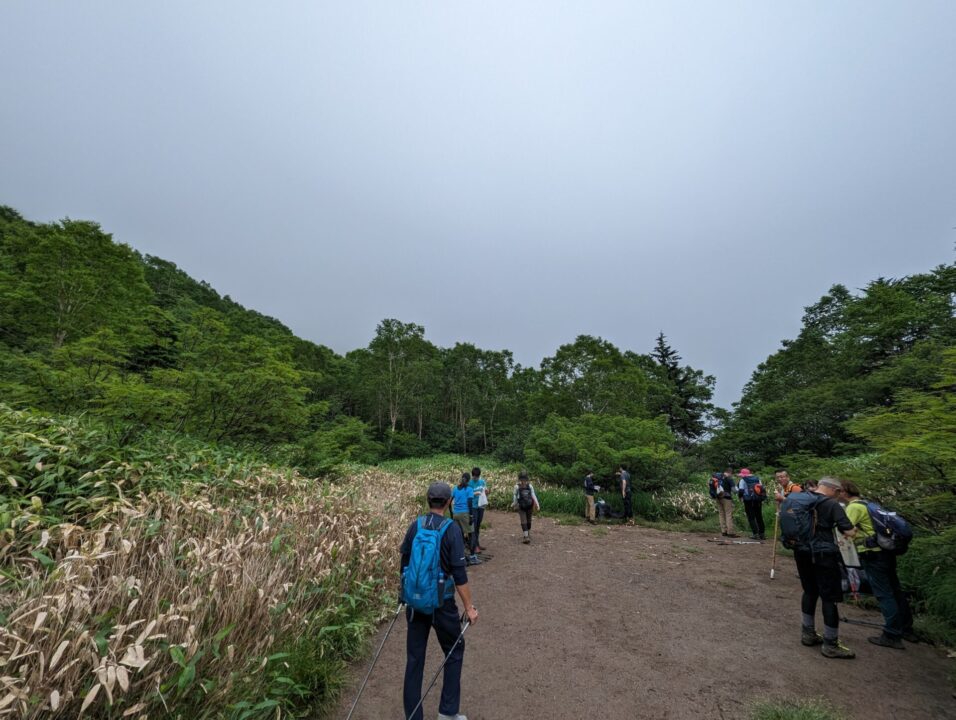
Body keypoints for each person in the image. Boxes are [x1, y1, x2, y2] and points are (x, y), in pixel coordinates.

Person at [401, 482, 479, 720]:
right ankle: (447, 713)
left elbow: (404, 562)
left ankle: (413, 716)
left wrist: (402, 595)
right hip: (441, 604)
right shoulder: (451, 528)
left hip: (414, 603)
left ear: (427, 501)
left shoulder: (416, 525)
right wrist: (469, 607)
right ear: (448, 502)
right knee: (455, 649)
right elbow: (459, 573)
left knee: (415, 659)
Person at [783, 476, 857, 659]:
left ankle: (808, 633)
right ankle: (830, 643)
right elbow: (848, 531)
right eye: (838, 493)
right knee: (829, 597)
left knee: (809, 592)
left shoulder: (799, 498)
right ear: (834, 490)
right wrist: (855, 530)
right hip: (824, 555)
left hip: (801, 552)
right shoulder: (831, 505)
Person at [842, 480, 915, 649]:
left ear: (845, 492)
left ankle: (892, 634)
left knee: (884, 593)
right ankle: (906, 628)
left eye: (840, 491)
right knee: (895, 590)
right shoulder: (868, 504)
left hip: (872, 554)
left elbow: (845, 529)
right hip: (886, 553)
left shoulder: (853, 507)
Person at [452, 474, 480, 566]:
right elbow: (469, 502)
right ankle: (472, 557)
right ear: (468, 480)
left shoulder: (455, 488)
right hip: (465, 514)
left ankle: (461, 556)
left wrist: (451, 513)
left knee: (459, 535)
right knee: (472, 534)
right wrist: (471, 515)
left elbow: (449, 500)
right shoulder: (469, 489)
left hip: (456, 514)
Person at [512, 470, 541, 543]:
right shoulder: (523, 486)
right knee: (526, 520)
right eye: (523, 479)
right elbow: (533, 495)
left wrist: (537, 504)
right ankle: (527, 535)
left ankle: (527, 534)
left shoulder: (523, 486)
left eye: (523, 479)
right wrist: (515, 504)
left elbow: (532, 495)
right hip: (525, 506)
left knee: (526, 521)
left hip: (525, 505)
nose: (523, 481)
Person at [737, 468, 766, 540]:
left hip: (748, 500)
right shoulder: (757, 479)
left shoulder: (743, 480)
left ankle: (755, 534)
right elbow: (761, 489)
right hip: (757, 499)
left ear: (743, 475)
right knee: (759, 516)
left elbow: (741, 490)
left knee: (751, 517)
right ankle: (762, 534)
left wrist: (740, 497)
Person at [468, 467, 488, 554]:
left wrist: (487, 491)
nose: (475, 478)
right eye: (474, 477)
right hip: (473, 506)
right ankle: (474, 546)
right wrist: (474, 493)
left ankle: (477, 544)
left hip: (481, 506)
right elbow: (467, 494)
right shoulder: (469, 483)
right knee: (474, 526)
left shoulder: (482, 481)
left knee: (478, 525)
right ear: (472, 475)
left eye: (477, 477)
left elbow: (486, 491)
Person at [713, 469, 738, 537]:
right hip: (726, 498)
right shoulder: (729, 479)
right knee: (728, 514)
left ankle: (723, 531)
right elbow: (734, 490)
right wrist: (738, 490)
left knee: (721, 514)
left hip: (718, 497)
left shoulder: (717, 478)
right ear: (730, 473)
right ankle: (730, 532)